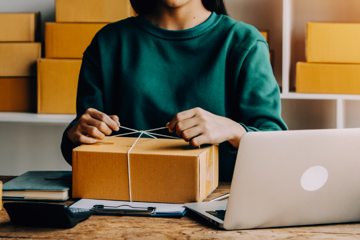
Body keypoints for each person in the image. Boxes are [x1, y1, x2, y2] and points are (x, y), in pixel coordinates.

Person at [61, 0, 288, 182]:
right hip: (123, 200)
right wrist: (75, 134)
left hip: (220, 202)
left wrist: (233, 129)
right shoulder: (108, 42)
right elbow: (82, 147)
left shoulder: (244, 41)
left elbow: (276, 148)